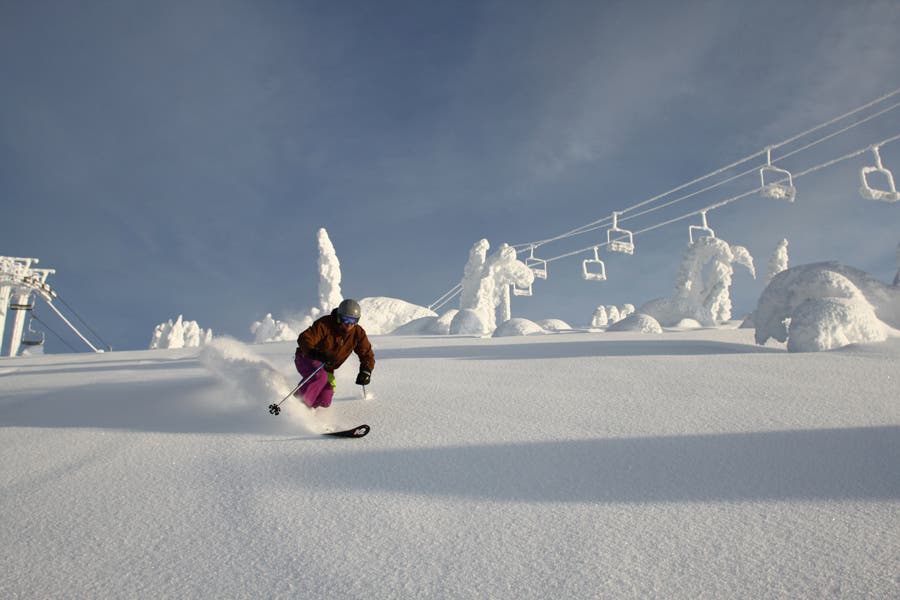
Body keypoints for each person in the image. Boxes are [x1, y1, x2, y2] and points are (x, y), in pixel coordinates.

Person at [293, 299, 375, 409]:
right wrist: (317, 354)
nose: (349, 325)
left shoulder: (358, 333)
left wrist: (366, 370)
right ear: (339, 317)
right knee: (320, 377)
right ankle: (297, 407)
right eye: (346, 320)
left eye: (354, 321)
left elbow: (367, 354)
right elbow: (305, 338)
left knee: (325, 399)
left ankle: (307, 412)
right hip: (307, 357)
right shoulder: (325, 324)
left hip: (327, 367)